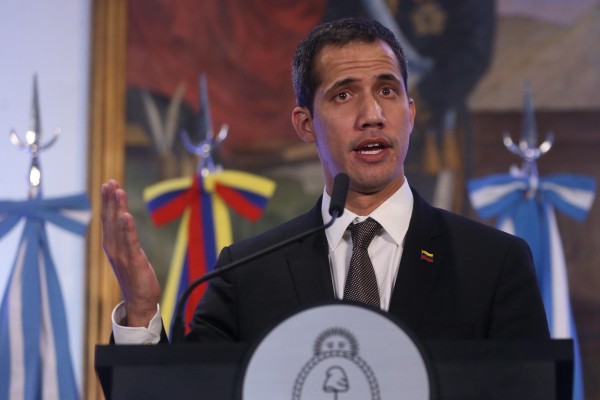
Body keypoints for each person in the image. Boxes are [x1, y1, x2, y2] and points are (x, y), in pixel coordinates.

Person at [102, 18, 549, 345]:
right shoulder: (247, 274)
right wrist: (141, 312)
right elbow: (186, 395)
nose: (372, 115)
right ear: (305, 124)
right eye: (343, 94)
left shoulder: (492, 265)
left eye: (387, 91)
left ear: (410, 115)